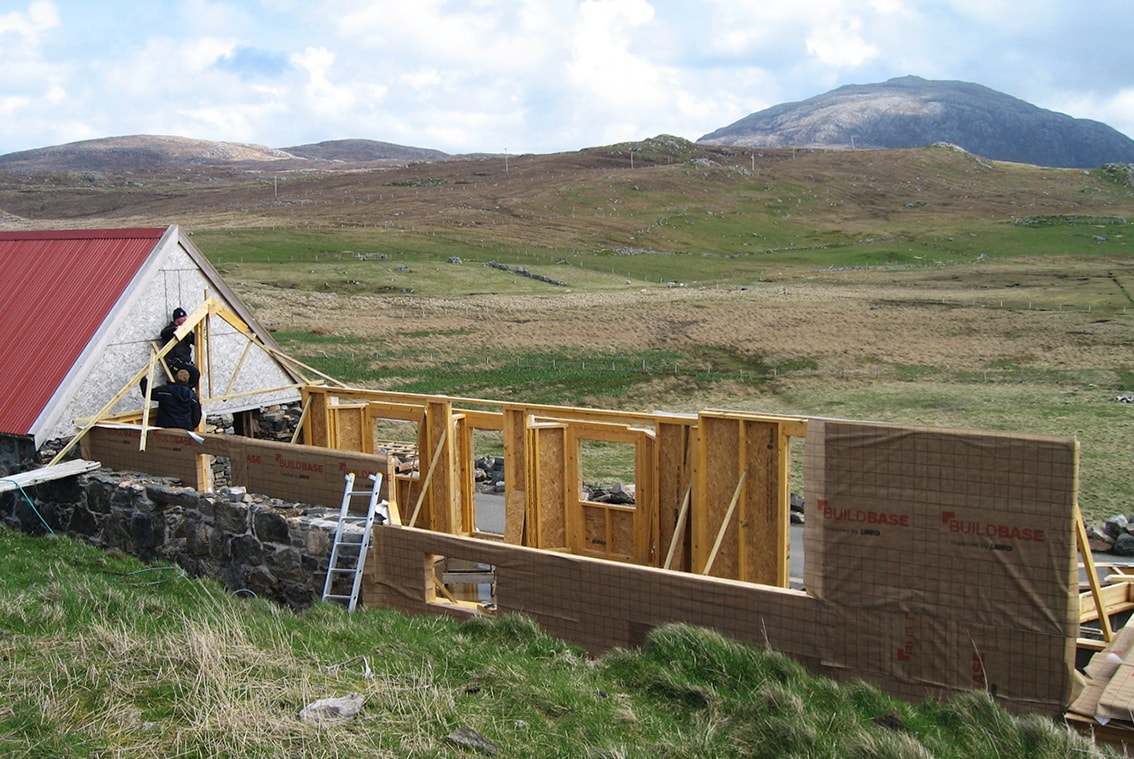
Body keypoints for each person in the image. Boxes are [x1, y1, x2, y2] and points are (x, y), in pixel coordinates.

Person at [160, 307, 200, 390]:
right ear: (177, 319)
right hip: (175, 363)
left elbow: (195, 341)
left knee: (194, 374)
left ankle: (186, 391)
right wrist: (176, 329)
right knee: (194, 373)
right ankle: (185, 391)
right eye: (183, 318)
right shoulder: (171, 330)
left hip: (186, 363)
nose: (186, 319)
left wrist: (197, 333)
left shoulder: (186, 331)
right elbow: (163, 333)